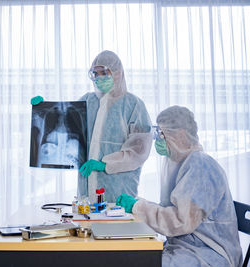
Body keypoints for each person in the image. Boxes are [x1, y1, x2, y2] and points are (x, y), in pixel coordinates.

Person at [116, 106, 243, 266]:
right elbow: (172, 211)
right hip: (186, 248)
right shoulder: (180, 163)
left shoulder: (200, 166)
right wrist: (138, 204)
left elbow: (181, 221)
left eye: (162, 134)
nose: (158, 140)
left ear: (181, 135)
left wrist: (138, 207)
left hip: (209, 253)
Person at [31, 50, 152, 203]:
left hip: (119, 191)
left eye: (104, 72)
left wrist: (105, 164)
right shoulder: (87, 101)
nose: (99, 77)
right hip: (86, 191)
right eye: (95, 73)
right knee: (89, 225)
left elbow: (138, 151)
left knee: (116, 223)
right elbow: (65, 124)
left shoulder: (134, 105)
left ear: (118, 72)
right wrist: (43, 109)